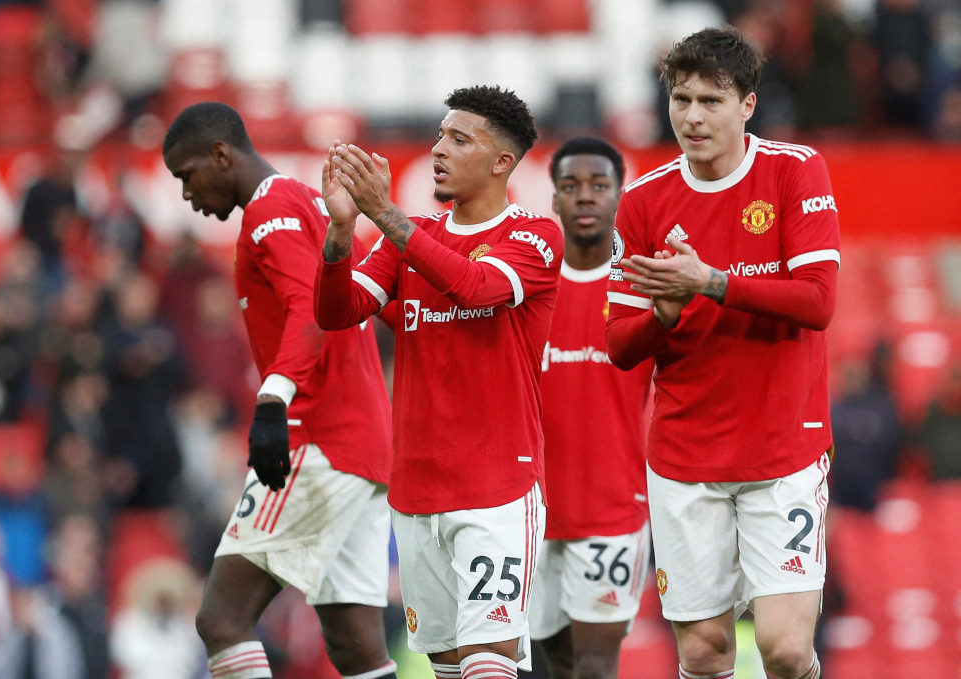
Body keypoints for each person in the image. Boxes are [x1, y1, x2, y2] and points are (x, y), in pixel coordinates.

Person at [605, 27, 840, 679]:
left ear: (747, 105)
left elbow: (819, 301)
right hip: (686, 456)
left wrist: (711, 281)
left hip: (784, 447)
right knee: (704, 649)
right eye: (681, 99)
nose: (693, 116)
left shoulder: (795, 171)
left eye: (711, 100)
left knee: (786, 649)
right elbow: (622, 347)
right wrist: (664, 313)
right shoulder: (645, 201)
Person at [314, 86, 562, 679]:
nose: (438, 149)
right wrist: (343, 232)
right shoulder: (410, 240)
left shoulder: (533, 238)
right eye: (438, 135)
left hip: (497, 487)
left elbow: (474, 286)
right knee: (450, 667)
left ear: (502, 161)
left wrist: (386, 217)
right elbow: (337, 311)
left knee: (487, 661)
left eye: (458, 139)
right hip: (418, 491)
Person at [162, 102, 396, 679]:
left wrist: (273, 399)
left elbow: (308, 309)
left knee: (222, 619)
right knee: (355, 642)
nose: (187, 196)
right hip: (364, 446)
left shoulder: (270, 208)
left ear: (221, 155)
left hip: (316, 439)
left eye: (187, 175)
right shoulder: (310, 205)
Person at [529, 138, 652, 679]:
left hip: (611, 509)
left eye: (599, 186)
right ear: (553, 198)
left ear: (619, 196)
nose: (585, 198)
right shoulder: (527, 286)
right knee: (549, 662)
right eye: (571, 187)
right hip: (530, 507)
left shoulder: (642, 287)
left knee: (596, 666)